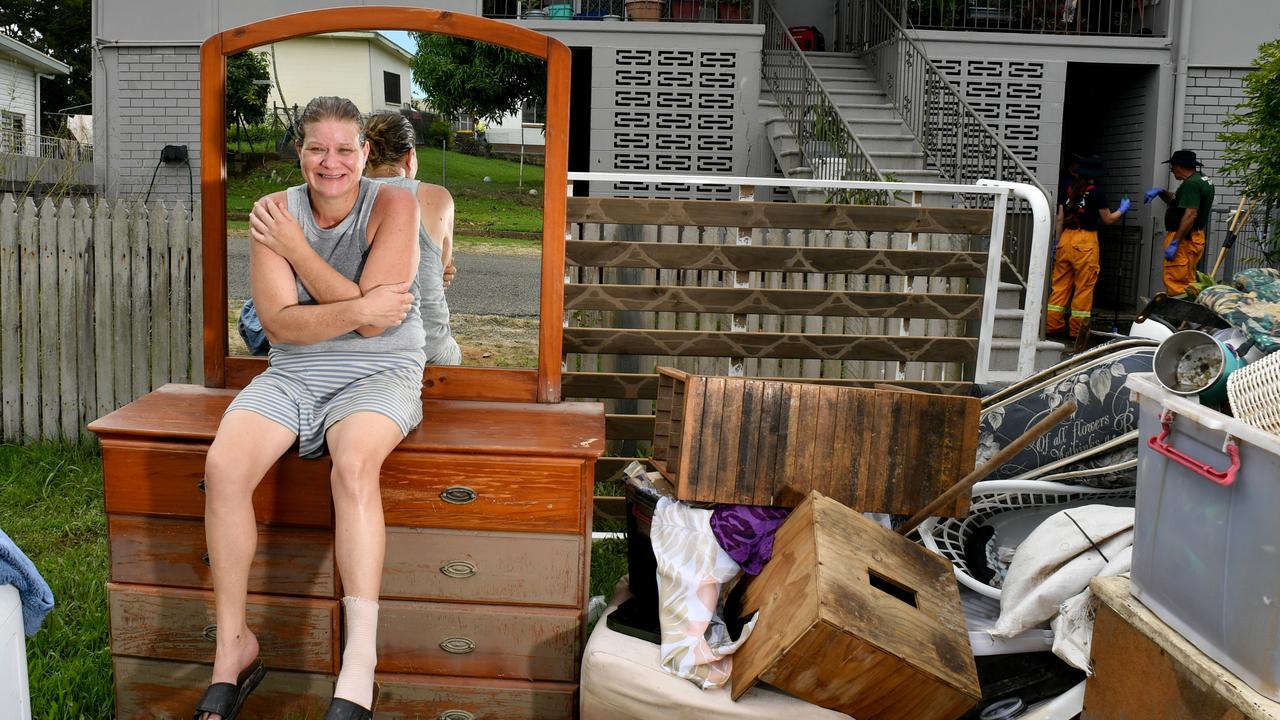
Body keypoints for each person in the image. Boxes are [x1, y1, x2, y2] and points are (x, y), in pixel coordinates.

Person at [195, 96, 423, 720]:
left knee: (352, 466)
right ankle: (233, 648)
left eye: (345, 149)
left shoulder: (397, 202)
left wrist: (297, 252)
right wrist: (358, 306)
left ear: (365, 153)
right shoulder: (272, 212)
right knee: (224, 467)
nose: (331, 162)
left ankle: (360, 662)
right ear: (299, 152)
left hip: (381, 372)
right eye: (317, 148)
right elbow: (279, 325)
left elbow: (381, 334)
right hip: (294, 372)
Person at [249, 111, 461, 366]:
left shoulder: (343, 199)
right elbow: (439, 271)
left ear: (365, 154)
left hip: (366, 346)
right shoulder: (435, 197)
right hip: (425, 347)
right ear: (410, 156)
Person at [1045, 154, 1131, 339]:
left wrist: (1056, 242)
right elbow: (1107, 219)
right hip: (1085, 241)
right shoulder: (1097, 192)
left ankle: (1052, 325)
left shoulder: (1068, 189)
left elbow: (1060, 218)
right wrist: (1121, 210)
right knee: (1084, 288)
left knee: (1059, 286)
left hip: (1066, 238)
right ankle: (1077, 331)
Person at [1144, 149, 1215, 296]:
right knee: (1188, 281)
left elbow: (1190, 214)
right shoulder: (1201, 179)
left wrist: (1175, 242)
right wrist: (1161, 192)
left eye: (1172, 167)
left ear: (1179, 166)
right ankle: (1189, 316)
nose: (1171, 170)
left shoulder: (1191, 184)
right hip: (1193, 237)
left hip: (1184, 239)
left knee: (1177, 283)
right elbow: (1177, 201)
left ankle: (1178, 317)